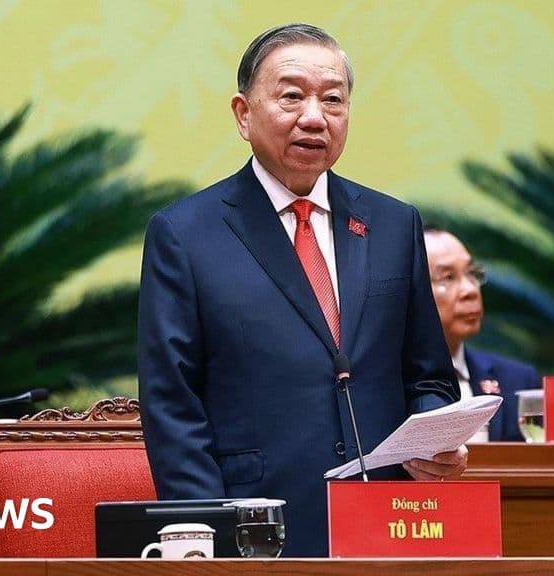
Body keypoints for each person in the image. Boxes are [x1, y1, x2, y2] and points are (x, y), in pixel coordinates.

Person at [138, 23, 466, 557]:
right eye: (292, 96)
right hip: (256, 527)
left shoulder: (392, 224)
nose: (314, 117)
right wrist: (206, 537)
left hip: (389, 524)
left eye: (333, 100)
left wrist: (437, 439)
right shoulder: (185, 233)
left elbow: (427, 373)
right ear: (244, 114)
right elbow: (173, 401)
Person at [423, 229, 542, 442]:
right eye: (447, 277)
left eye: (472, 273)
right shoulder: (379, 386)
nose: (470, 290)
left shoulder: (518, 381)